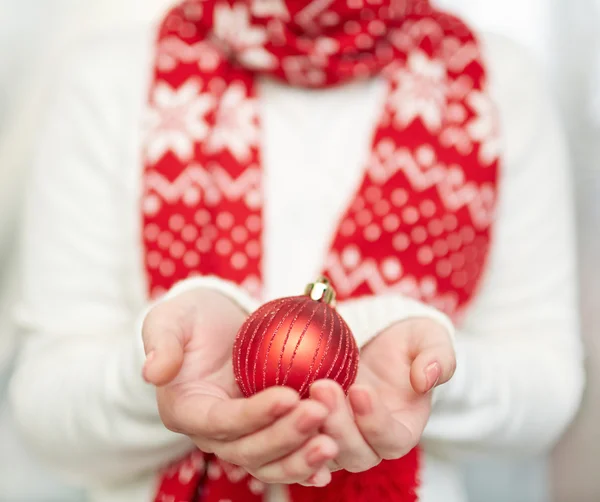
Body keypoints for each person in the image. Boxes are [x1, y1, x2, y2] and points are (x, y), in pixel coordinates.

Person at [9, 1, 584, 501]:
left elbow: (547, 386)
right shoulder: (105, 77)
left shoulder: (499, 83)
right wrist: (170, 377)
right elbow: (43, 402)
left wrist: (414, 368)